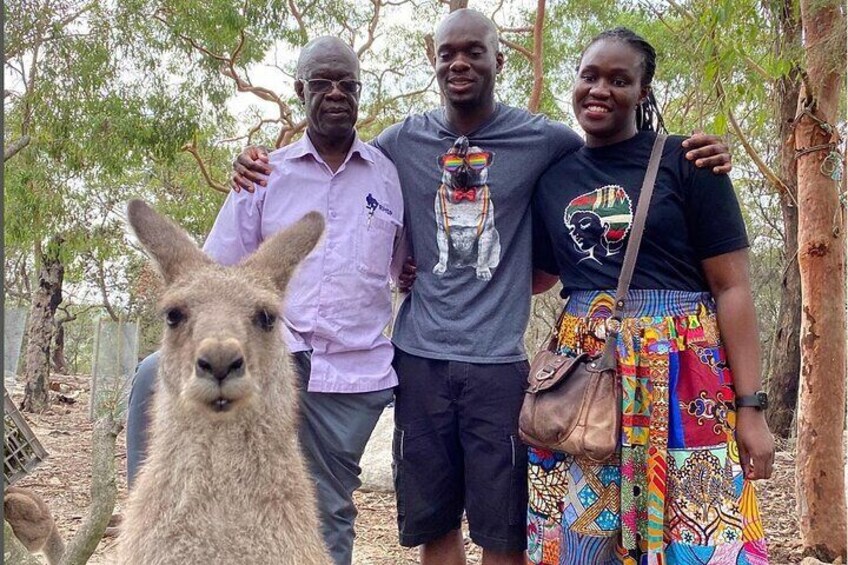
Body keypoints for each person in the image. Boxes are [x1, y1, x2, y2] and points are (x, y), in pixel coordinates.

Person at [231, 11, 732, 565]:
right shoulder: (401, 142)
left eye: (475, 51)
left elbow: (614, 155)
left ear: (501, 58)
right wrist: (256, 163)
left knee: (504, 531)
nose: (461, 63)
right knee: (435, 524)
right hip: (418, 362)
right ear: (434, 61)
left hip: (499, 366)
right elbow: (338, 160)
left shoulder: (545, 140)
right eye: (448, 53)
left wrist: (692, 153)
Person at [125, 36, 409, 565]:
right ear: (301, 91)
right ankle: (154, 526)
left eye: (347, 84)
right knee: (152, 383)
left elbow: (401, 264)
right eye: (321, 83)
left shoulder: (386, 174)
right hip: (276, 349)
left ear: (360, 93)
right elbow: (210, 269)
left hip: (352, 368)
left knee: (324, 509)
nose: (335, 93)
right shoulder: (262, 175)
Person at [528, 27, 774, 564]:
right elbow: (541, 275)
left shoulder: (689, 162)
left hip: (685, 372)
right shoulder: (552, 177)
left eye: (620, 80)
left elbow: (731, 287)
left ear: (643, 92)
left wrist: (750, 408)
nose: (600, 89)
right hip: (587, 375)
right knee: (583, 534)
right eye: (589, 76)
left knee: (697, 530)